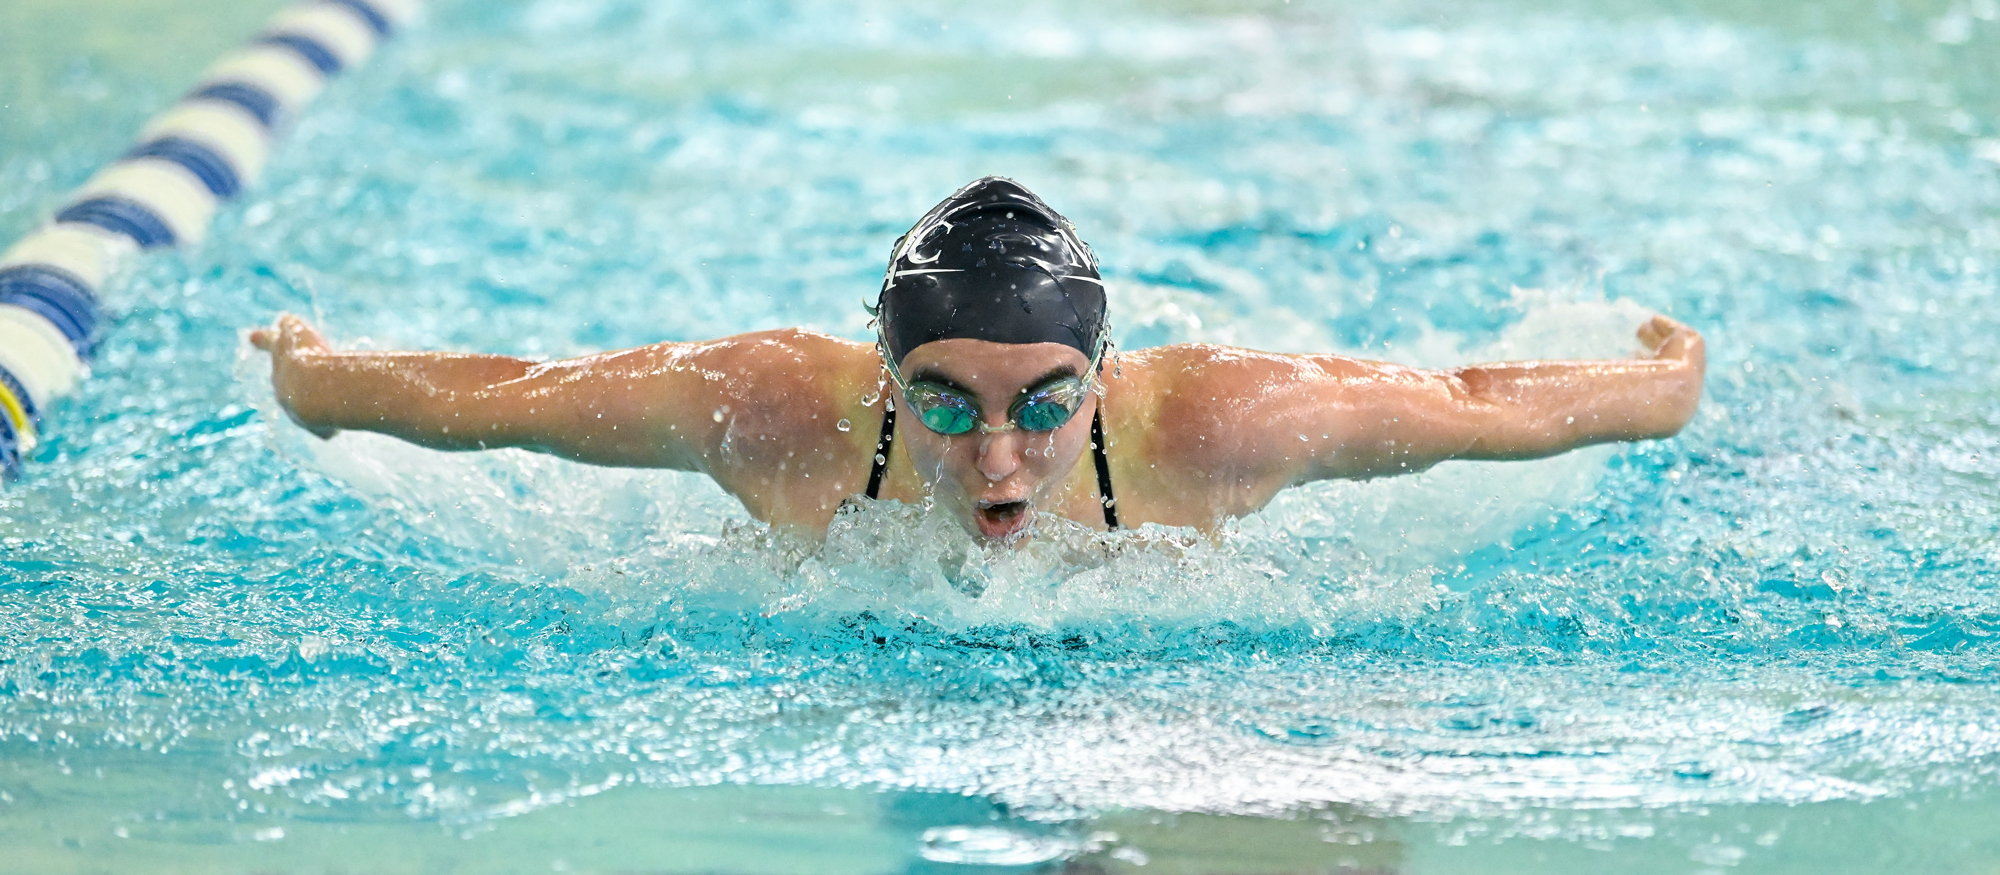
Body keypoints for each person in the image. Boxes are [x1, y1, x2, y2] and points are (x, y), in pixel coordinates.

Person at [250, 177, 1705, 542]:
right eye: (943, 401)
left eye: (1044, 407)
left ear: (1104, 379)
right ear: (883, 385)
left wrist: (1665, 378)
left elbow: (1472, 410)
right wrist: (316, 379)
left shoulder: (1224, 424)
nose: (996, 457)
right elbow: (504, 400)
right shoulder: (766, 407)